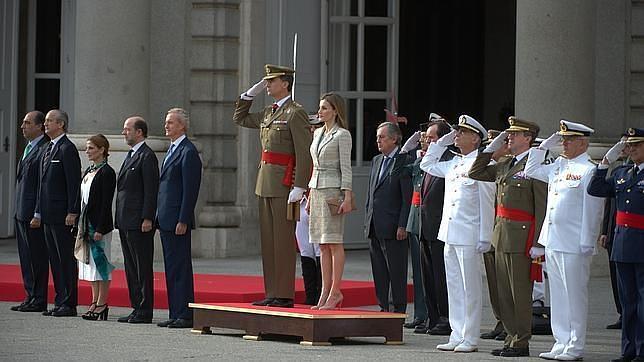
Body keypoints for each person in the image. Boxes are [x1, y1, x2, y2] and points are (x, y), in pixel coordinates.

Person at [233, 64, 313, 308]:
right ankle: (272, 292)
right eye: (266, 82)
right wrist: (249, 95)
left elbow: (303, 152)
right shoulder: (268, 112)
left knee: (283, 241)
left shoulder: (295, 112)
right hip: (264, 182)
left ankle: (285, 294)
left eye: (271, 81)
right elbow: (240, 118)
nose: (267, 85)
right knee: (268, 241)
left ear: (285, 83)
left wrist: (300, 185)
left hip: (284, 183)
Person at [524, 120, 604, 361]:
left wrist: (587, 242)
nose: (564, 143)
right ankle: (560, 342)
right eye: (562, 139)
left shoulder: (588, 170)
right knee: (558, 294)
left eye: (568, 140)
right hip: (554, 240)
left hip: (574, 243)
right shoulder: (558, 165)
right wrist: (543, 146)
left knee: (574, 295)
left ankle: (575, 344)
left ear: (583, 142)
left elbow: (593, 210)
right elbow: (530, 170)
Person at [469, 117, 548, 357]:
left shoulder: (535, 165)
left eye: (514, 134)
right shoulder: (505, 164)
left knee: (520, 293)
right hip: (501, 234)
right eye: (509, 134)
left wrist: (538, 243)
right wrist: (491, 149)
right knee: (504, 292)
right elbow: (476, 172)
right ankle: (510, 337)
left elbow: (541, 207)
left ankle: (522, 341)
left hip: (521, 238)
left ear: (528, 138)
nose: (509, 137)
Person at [420, 115, 495, 353]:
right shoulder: (454, 163)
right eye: (456, 132)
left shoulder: (481, 165)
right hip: (449, 233)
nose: (457, 136)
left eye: (461, 132)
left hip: (469, 234)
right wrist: (441, 142)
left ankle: (470, 336)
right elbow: (427, 165)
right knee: (453, 285)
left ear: (475, 138)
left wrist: (485, 236)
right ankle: (457, 333)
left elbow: (487, 203)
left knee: (469, 287)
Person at [587, 127, 644, 362]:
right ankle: (628, 349)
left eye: (636, 145)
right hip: (622, 245)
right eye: (628, 146)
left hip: (641, 245)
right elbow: (595, 189)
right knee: (627, 302)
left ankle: (642, 350)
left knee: (642, 302)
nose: (630, 149)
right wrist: (605, 162)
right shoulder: (622, 172)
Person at [156, 108, 202, 328]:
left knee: (180, 267)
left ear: (182, 126)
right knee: (171, 267)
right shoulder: (172, 149)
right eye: (166, 122)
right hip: (165, 218)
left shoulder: (188, 151)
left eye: (171, 123)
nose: (166, 126)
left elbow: (189, 189)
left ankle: (184, 314)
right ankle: (175, 312)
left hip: (177, 220)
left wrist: (183, 219)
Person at [33, 109, 81, 317]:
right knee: (54, 258)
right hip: (48, 213)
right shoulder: (48, 148)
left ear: (60, 124)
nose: (45, 124)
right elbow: (41, 184)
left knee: (65, 260)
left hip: (62, 214)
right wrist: (38, 212)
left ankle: (69, 303)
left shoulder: (67, 149)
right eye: (45, 121)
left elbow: (73, 184)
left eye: (50, 121)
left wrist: (72, 210)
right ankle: (60, 299)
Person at [308, 93, 353, 310]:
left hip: (333, 190)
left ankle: (336, 291)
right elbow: (313, 164)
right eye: (320, 108)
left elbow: (346, 168)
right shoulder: (317, 132)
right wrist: (309, 193)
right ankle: (325, 291)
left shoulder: (342, 135)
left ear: (335, 111)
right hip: (316, 189)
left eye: (325, 108)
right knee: (322, 244)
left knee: (334, 242)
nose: (320, 111)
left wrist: (348, 196)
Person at [364, 122, 413, 314]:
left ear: (394, 139)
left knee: (396, 270)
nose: (378, 141)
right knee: (379, 270)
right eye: (377, 137)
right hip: (375, 225)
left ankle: (396, 309)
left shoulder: (404, 160)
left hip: (393, 226)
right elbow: (371, 193)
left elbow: (406, 197)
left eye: (382, 137)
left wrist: (403, 224)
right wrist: (368, 220)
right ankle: (383, 306)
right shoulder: (377, 160)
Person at [115, 116, 159, 324]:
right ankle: (136, 307)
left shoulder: (147, 156)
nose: (124, 132)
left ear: (139, 132)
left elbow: (151, 190)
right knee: (131, 266)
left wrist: (148, 217)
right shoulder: (132, 154)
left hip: (139, 222)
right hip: (126, 220)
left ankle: (144, 309)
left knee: (142, 266)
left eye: (127, 129)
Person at [415, 118, 454, 336]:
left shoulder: (449, 161)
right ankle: (432, 317)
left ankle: (445, 318)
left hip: (441, 228)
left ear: (443, 139)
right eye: (427, 138)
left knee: (441, 277)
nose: (428, 142)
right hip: (426, 227)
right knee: (427, 276)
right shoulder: (430, 161)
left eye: (432, 138)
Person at [76, 134, 116, 321]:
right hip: (86, 224)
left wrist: (100, 228)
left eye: (91, 148)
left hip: (98, 226)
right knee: (90, 266)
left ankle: (102, 303)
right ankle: (94, 301)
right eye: (87, 148)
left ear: (102, 150)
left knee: (101, 265)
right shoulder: (89, 170)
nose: (87, 151)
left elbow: (106, 203)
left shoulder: (107, 172)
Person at [12, 111, 49, 313]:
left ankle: (39, 298)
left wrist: (37, 212)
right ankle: (30, 296)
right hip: (21, 211)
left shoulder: (43, 148)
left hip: (33, 214)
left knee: (37, 257)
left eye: (27, 123)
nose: (22, 126)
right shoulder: (28, 148)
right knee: (26, 257)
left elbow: (41, 185)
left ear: (39, 126)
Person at [479, 129, 509, 343]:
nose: (492, 150)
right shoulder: (489, 169)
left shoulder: (505, 169)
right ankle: (500, 320)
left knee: (505, 283)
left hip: (500, 230)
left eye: (495, 145)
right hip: (488, 231)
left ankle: (509, 324)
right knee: (493, 283)